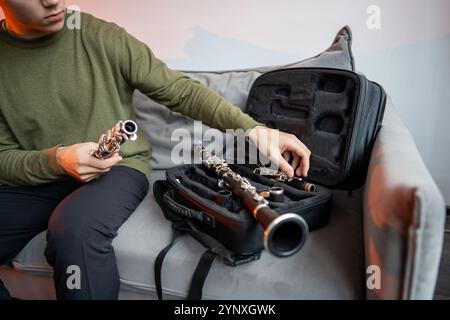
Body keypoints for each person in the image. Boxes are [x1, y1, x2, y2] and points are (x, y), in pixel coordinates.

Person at [0, 0, 311, 300]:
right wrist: (58, 159)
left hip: (118, 169)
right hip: (44, 176)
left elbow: (178, 89)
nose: (53, 1)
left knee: (74, 231)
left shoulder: (99, 35)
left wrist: (253, 129)